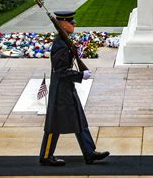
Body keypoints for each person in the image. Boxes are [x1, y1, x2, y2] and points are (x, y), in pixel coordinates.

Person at [39, 11, 109, 166]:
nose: (74, 24)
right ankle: (45, 156)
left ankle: (89, 153)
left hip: (67, 88)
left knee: (79, 119)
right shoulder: (61, 46)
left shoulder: (64, 42)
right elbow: (61, 72)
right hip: (60, 91)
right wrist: (80, 75)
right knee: (54, 124)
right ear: (62, 24)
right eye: (71, 22)